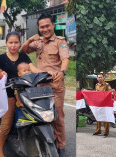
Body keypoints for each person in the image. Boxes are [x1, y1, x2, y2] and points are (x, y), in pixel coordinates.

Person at [20, 13, 69, 157]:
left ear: (53, 25)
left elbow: (65, 59)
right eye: (42, 27)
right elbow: (23, 50)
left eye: (47, 26)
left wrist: (63, 72)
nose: (45, 29)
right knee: (43, 114)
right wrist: (30, 39)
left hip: (55, 85)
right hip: (40, 85)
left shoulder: (61, 41)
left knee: (58, 116)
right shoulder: (38, 42)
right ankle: (49, 139)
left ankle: (61, 146)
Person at [0, 32, 42, 157]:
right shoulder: (0, 58)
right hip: (8, 95)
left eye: (16, 42)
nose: (13, 45)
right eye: (11, 42)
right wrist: (1, 73)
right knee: (5, 126)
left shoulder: (24, 57)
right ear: (6, 43)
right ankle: (0, 151)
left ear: (20, 43)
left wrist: (48, 73)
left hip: (26, 93)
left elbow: (34, 69)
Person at [93, 73, 113, 138]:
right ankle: (98, 130)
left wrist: (112, 92)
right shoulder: (96, 85)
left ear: (103, 78)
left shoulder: (107, 85)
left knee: (105, 118)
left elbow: (110, 92)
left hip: (105, 104)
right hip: (98, 104)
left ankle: (106, 132)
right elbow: (94, 93)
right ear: (97, 78)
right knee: (98, 117)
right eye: (99, 77)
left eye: (101, 77)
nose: (100, 78)